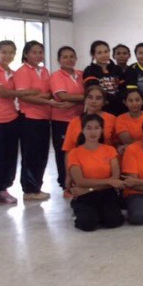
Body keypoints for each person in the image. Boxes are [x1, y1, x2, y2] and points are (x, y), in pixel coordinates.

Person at [0, 40, 39, 206]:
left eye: (11, 52)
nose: (7, 55)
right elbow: (1, 92)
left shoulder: (14, 73)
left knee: (9, 157)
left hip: (12, 119)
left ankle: (3, 189)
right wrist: (26, 92)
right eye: (4, 52)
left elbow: (17, 93)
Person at [15, 40, 63, 201]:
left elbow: (49, 92)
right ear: (26, 54)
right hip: (30, 118)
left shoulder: (44, 71)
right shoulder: (22, 71)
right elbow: (25, 97)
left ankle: (37, 187)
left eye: (40, 52)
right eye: (34, 52)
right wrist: (46, 100)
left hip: (44, 117)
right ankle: (29, 190)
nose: (38, 55)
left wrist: (41, 96)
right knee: (31, 155)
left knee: (42, 154)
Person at [66, 114, 124, 231]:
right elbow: (80, 181)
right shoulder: (74, 153)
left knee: (113, 221)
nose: (93, 132)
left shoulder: (110, 150)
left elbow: (116, 178)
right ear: (82, 130)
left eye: (97, 128)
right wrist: (108, 181)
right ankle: (79, 208)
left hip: (105, 192)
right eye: (89, 128)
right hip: (84, 195)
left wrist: (90, 188)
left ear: (102, 130)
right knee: (88, 224)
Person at [50, 46, 85, 193]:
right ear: (58, 60)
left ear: (76, 58)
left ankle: (79, 181)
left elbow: (92, 92)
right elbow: (62, 96)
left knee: (79, 152)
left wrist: (74, 102)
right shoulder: (56, 76)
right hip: (62, 121)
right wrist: (83, 98)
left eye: (72, 56)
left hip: (80, 119)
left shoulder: (81, 74)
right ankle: (65, 183)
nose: (69, 59)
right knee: (64, 152)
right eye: (65, 57)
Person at [62, 85, 117, 159]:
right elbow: (68, 150)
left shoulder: (113, 119)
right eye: (90, 97)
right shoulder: (74, 122)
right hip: (80, 162)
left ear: (104, 102)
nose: (93, 101)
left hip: (105, 161)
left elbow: (117, 145)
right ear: (85, 100)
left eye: (98, 98)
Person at [83, 40, 124, 115]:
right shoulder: (89, 70)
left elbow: (123, 88)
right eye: (99, 53)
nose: (104, 55)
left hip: (120, 108)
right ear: (93, 55)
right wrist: (112, 99)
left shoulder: (117, 69)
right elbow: (94, 90)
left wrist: (119, 99)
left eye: (106, 52)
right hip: (99, 110)